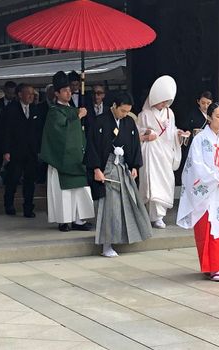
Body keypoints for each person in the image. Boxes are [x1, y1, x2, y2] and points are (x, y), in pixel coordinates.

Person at [177, 102, 219, 281]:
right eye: (218, 116)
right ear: (208, 117)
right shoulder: (199, 139)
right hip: (207, 192)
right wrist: (215, 177)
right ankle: (212, 267)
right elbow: (195, 165)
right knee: (208, 229)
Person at [86, 91, 153, 257]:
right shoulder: (99, 121)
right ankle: (106, 244)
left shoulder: (129, 122)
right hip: (107, 167)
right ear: (114, 106)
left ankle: (124, 236)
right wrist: (96, 169)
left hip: (123, 167)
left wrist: (135, 166)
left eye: (127, 111)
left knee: (129, 203)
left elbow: (134, 145)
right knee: (110, 206)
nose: (125, 114)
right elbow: (92, 146)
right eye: (122, 111)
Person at [40, 71, 94, 232]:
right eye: (64, 90)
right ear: (57, 93)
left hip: (77, 156)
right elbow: (59, 131)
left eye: (70, 90)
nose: (69, 92)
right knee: (63, 192)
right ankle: (64, 220)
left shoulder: (72, 109)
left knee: (80, 190)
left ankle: (79, 220)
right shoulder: (54, 111)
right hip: (61, 159)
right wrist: (77, 117)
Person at [138, 75, 190, 229]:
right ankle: (151, 215)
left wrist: (178, 134)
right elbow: (139, 132)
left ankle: (160, 216)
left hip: (165, 152)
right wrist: (147, 133)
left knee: (165, 181)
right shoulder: (144, 114)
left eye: (166, 100)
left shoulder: (170, 113)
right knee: (152, 182)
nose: (164, 103)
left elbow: (171, 130)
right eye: (162, 100)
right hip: (151, 151)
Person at [1, 83, 42, 218]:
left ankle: (28, 208)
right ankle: (9, 204)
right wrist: (6, 151)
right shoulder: (10, 109)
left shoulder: (35, 109)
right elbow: (5, 131)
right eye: (28, 93)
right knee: (13, 178)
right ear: (20, 94)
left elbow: (38, 131)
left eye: (32, 93)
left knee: (30, 180)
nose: (31, 96)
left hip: (31, 151)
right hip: (15, 150)